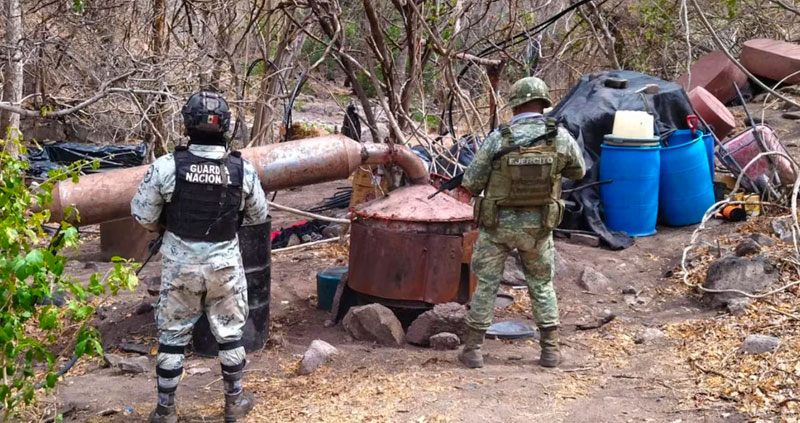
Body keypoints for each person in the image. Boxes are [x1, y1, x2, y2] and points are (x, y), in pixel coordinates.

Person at [131, 91, 268, 423]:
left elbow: (142, 215)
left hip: (180, 266)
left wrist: (167, 224)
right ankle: (234, 403)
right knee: (230, 334)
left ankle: (165, 411)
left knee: (172, 337)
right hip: (225, 266)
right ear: (226, 126)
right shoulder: (242, 169)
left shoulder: (166, 166)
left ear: (187, 124)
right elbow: (258, 215)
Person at [458, 77, 586, 369]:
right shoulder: (559, 137)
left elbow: (472, 181)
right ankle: (550, 351)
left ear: (515, 105)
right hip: (538, 226)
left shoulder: (498, 138)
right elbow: (578, 172)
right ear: (543, 104)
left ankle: (473, 351)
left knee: (486, 284)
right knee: (541, 284)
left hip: (496, 226)